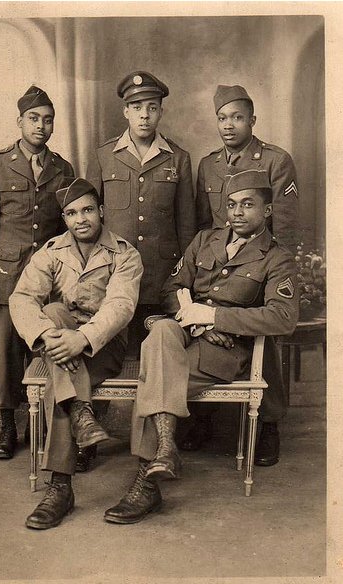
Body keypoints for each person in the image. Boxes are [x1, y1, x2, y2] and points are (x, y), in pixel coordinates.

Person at [104, 169, 299, 524]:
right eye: (231, 204)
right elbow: (170, 289)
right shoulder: (205, 240)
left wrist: (213, 317)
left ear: (267, 211)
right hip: (188, 334)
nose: (236, 212)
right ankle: (164, 450)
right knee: (161, 333)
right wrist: (196, 322)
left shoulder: (276, 256)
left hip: (226, 353)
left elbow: (282, 318)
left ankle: (146, 483)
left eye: (247, 205)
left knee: (155, 372)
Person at [9, 177, 143, 530]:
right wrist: (47, 334)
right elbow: (21, 298)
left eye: (87, 210)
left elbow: (120, 306)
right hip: (58, 344)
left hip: (104, 344)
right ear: (64, 219)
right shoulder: (52, 252)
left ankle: (60, 488)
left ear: (101, 211)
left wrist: (81, 339)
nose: (80, 219)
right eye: (71, 213)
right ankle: (81, 411)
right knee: (52, 313)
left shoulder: (125, 253)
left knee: (60, 367)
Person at [84, 70, 197, 469]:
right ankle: (90, 435)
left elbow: (188, 232)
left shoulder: (178, 158)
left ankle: (150, 450)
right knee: (102, 352)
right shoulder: (103, 155)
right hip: (114, 282)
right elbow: (91, 223)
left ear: (161, 111)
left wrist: (184, 285)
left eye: (152, 107)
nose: (144, 115)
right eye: (136, 108)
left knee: (153, 361)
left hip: (161, 282)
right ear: (125, 112)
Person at [188, 84, 300, 462]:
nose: (229, 125)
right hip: (220, 267)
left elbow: (283, 228)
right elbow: (205, 227)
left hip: (261, 266)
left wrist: (263, 276)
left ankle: (268, 423)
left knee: (263, 336)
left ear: (252, 120)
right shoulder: (208, 165)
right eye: (222, 118)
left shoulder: (276, 160)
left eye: (237, 117)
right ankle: (201, 415)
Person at [0, 86, 74, 460]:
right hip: (7, 276)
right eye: (34, 118)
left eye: (48, 120)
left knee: (47, 345)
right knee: (7, 351)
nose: (41, 126)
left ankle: (39, 423)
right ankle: (7, 424)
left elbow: (68, 229)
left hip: (50, 278)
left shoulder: (62, 168)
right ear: (20, 122)